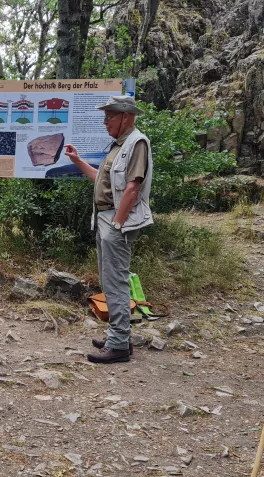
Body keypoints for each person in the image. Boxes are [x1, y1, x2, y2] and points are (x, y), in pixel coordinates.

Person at [62, 95, 155, 364]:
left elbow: (132, 188)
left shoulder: (136, 143)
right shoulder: (119, 146)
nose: (105, 122)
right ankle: (120, 336)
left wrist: (117, 223)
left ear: (125, 116)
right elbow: (101, 181)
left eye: (109, 116)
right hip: (106, 218)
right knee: (110, 280)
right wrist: (78, 161)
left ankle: (118, 345)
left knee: (115, 281)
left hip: (116, 220)